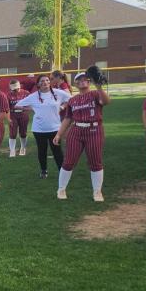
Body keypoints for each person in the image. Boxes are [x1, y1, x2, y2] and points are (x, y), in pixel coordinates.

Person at [54, 70, 111, 201]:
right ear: (75, 84)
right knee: (69, 161)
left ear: (89, 81)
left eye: (84, 79)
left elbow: (106, 101)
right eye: (79, 80)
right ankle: (61, 189)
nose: (82, 81)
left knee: (95, 161)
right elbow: (68, 119)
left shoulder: (95, 94)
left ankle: (97, 192)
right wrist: (59, 134)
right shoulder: (73, 100)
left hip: (94, 129)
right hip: (77, 130)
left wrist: (99, 87)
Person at [15, 73, 70, 177]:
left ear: (50, 82)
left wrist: (62, 107)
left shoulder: (58, 93)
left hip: (55, 128)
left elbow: (71, 100)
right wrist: (32, 108)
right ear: (38, 84)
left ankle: (62, 172)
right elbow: (18, 105)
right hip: (39, 129)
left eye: (47, 80)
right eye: (42, 81)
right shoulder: (34, 96)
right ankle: (44, 171)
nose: (45, 82)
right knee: (42, 150)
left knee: (57, 151)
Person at [7, 78, 30, 157]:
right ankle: (12, 150)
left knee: (23, 133)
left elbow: (30, 106)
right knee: (12, 133)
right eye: (13, 89)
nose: (15, 91)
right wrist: (8, 118)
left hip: (23, 114)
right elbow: (7, 108)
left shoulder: (26, 93)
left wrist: (23, 109)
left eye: (16, 89)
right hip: (13, 114)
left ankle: (23, 148)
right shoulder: (8, 95)